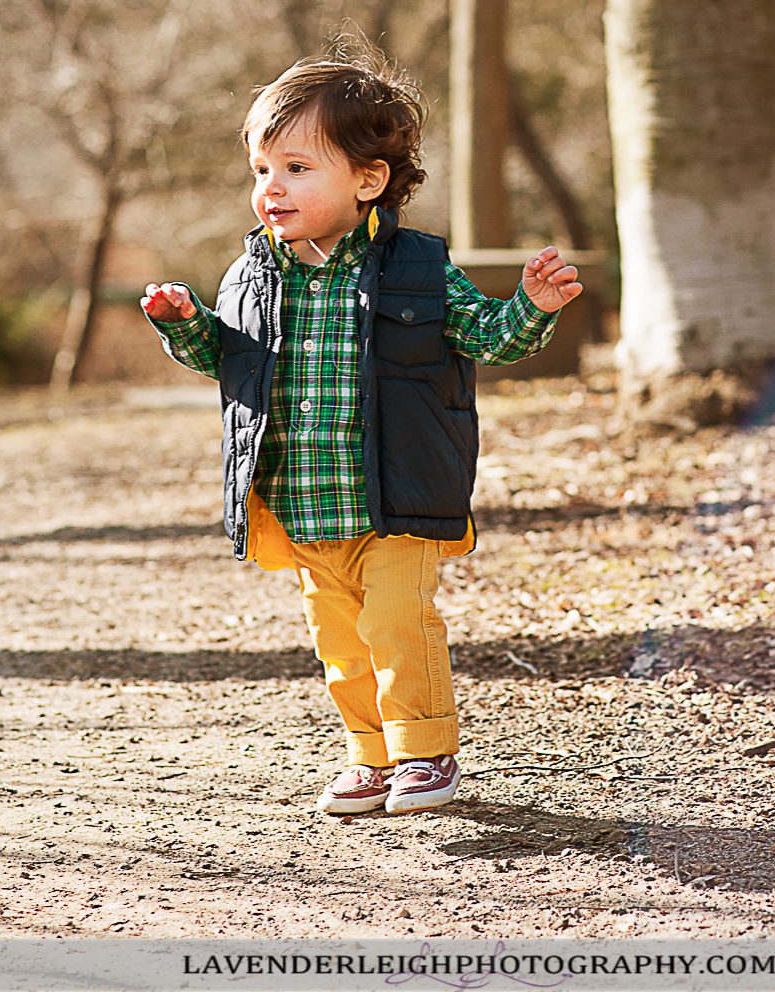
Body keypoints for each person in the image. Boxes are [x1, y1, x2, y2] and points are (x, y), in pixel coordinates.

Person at [141, 46, 581, 818]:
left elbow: (487, 338)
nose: (272, 187)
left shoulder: (417, 270)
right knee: (341, 643)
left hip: (395, 498)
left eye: (296, 168)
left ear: (368, 180)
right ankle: (370, 756)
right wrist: (185, 324)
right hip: (305, 505)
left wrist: (531, 308)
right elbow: (231, 365)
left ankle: (425, 751)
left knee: (397, 624)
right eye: (261, 170)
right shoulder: (251, 277)